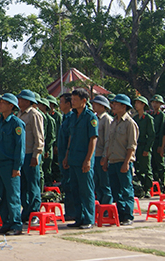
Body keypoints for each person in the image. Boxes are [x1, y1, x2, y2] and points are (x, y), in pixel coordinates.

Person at [64, 88, 98, 229]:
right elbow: (71, 137)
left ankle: (89, 219)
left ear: (84, 101)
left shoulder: (90, 117)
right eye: (72, 99)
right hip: (73, 158)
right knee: (75, 189)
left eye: (75, 99)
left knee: (86, 190)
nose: (72, 102)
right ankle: (79, 217)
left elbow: (93, 139)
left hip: (84, 159)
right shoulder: (72, 116)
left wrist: (88, 159)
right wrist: (67, 155)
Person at [103, 94, 138, 225]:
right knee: (115, 189)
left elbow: (131, 146)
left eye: (116, 104)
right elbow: (109, 143)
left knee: (126, 189)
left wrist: (126, 162)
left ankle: (128, 215)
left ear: (124, 106)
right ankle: (120, 213)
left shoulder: (129, 123)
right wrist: (106, 159)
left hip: (123, 161)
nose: (113, 106)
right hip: (112, 160)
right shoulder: (113, 122)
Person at [0, 93, 25, 236]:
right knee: (3, 196)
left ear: (11, 106)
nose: (0, 105)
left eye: (3, 103)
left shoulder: (16, 124)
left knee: (13, 196)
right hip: (0, 164)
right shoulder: (1, 122)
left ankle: (16, 224)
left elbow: (20, 147)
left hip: (10, 165)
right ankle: (6, 223)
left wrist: (17, 167)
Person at [16, 89, 44, 225]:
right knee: (23, 185)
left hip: (30, 154)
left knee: (33, 185)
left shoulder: (34, 114)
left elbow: (39, 136)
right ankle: (26, 210)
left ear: (28, 101)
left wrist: (36, 154)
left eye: (21, 99)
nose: (19, 101)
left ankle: (34, 212)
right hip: (21, 154)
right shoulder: (19, 114)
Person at [91, 95, 113, 204]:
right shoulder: (95, 118)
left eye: (96, 103)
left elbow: (108, 140)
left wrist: (105, 156)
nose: (93, 105)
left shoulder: (107, 119)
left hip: (102, 155)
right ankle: (100, 205)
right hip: (95, 155)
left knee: (105, 183)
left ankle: (107, 206)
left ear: (102, 106)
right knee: (97, 183)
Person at [132, 96, 154, 198]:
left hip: (144, 146)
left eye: (138, 103)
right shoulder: (135, 118)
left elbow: (151, 135)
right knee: (138, 168)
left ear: (143, 105)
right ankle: (140, 188)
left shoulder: (148, 119)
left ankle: (148, 188)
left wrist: (147, 149)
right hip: (137, 147)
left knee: (146, 169)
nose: (136, 105)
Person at [149, 94, 165, 191]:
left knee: (160, 164)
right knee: (152, 164)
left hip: (158, 141)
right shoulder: (151, 115)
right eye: (153, 102)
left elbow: (162, 132)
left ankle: (161, 183)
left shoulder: (162, 116)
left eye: (157, 103)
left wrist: (161, 145)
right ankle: (155, 183)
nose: (154, 104)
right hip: (151, 142)